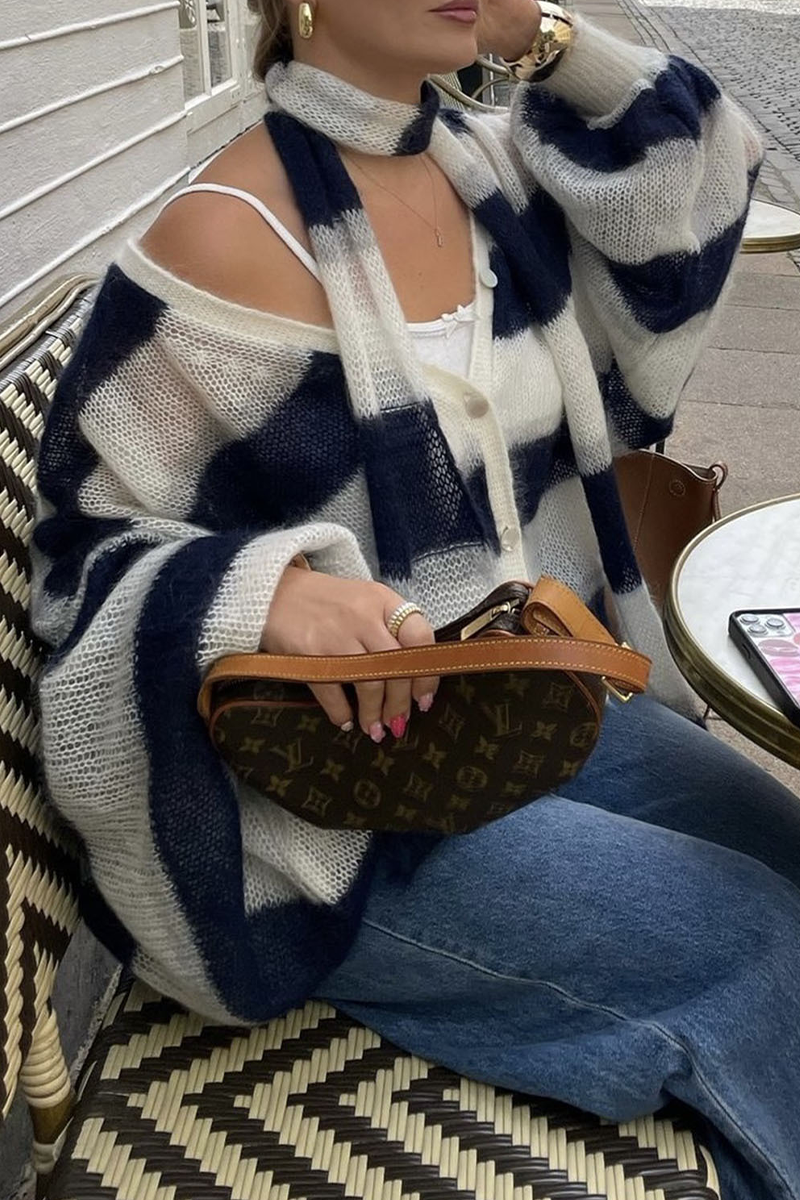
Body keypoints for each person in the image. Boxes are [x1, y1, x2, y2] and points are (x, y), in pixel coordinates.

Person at [29, 0, 800, 1195]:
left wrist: (540, 37)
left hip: (514, 694)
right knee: (750, 943)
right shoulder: (222, 236)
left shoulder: (484, 167)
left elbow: (693, 165)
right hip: (333, 810)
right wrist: (265, 595)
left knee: (786, 854)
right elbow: (83, 553)